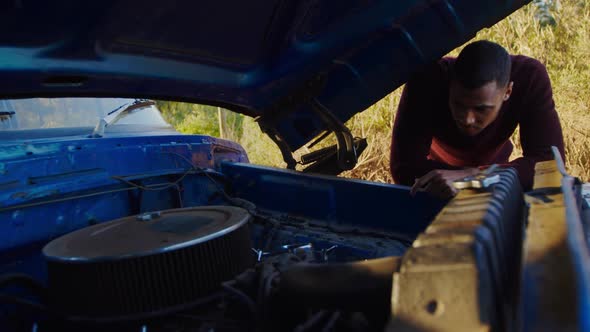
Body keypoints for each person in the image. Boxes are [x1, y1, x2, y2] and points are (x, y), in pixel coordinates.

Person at [390, 40, 564, 199]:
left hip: (494, 173)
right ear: (450, 85)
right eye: (458, 104)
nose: (468, 119)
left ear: (507, 92)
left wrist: (476, 177)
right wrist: (481, 178)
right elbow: (404, 167)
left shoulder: (529, 77)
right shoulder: (428, 79)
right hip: (437, 180)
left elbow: (550, 164)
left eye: (481, 109)